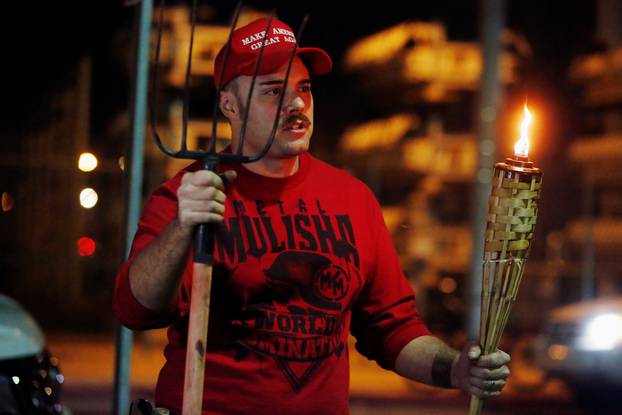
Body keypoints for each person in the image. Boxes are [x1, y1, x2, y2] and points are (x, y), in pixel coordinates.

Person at [113, 17, 510, 415]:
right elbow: (136, 310)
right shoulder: (192, 194)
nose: (297, 104)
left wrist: (455, 369)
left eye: (304, 88)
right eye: (274, 91)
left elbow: (391, 329)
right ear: (229, 105)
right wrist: (183, 227)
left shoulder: (352, 199)